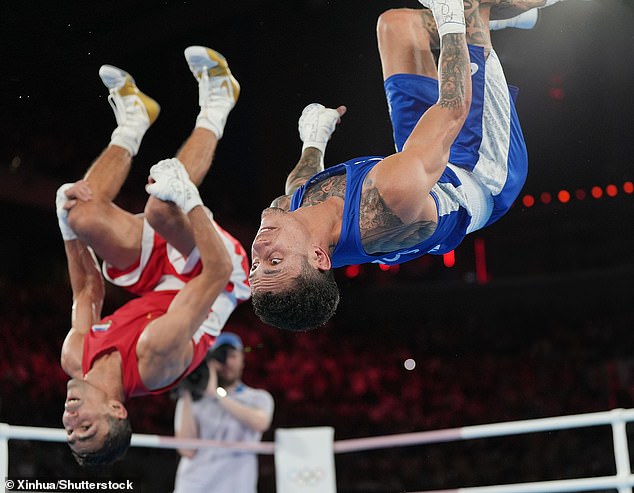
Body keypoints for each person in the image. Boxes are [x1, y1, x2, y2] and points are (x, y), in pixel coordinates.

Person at [249, 0, 541, 331]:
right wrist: (450, 19)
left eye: (255, 265)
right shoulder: (389, 199)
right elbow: (454, 107)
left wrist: (314, 139)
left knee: (396, 25)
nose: (259, 247)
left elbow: (299, 187)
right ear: (318, 258)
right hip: (477, 168)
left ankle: (494, 17)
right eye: (274, 261)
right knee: (468, 7)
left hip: (419, 160)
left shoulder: (289, 216)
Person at [56, 46, 251, 466]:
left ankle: (133, 118)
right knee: (163, 206)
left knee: (81, 213)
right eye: (85, 427)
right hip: (218, 277)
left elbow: (88, 288)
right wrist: (190, 200)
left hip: (164, 283)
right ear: (116, 410)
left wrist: (66, 228)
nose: (71, 420)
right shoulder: (155, 356)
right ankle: (219, 96)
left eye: (69, 431)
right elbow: (216, 271)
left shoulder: (75, 357)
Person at [172, 332, 274, 493]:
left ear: (242, 359)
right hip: (195, 486)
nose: (227, 362)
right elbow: (187, 449)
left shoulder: (258, 398)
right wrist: (187, 393)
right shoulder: (192, 400)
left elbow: (260, 423)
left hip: (237, 486)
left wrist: (217, 394)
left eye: (232, 355)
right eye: (220, 357)